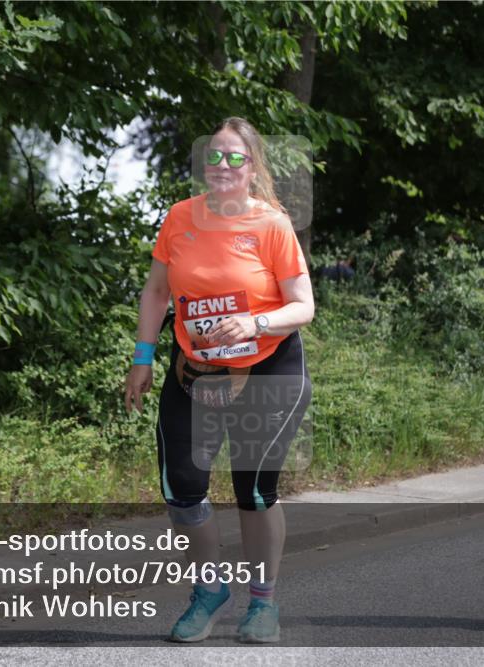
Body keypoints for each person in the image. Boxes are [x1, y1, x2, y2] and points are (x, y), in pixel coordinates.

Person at [124, 117, 313, 643]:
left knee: (254, 490)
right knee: (181, 487)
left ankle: (263, 603)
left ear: (253, 168)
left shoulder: (272, 225)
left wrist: (254, 321)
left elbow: (303, 307)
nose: (223, 166)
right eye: (215, 156)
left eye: (235, 158)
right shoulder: (180, 218)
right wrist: (143, 356)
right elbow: (157, 293)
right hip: (195, 372)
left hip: (268, 370)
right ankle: (209, 591)